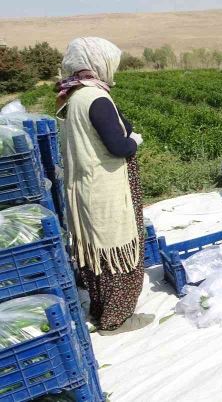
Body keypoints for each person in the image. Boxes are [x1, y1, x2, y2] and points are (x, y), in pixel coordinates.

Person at [56, 37, 154, 335]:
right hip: (106, 187)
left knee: (98, 251)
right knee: (119, 246)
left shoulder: (73, 96)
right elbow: (119, 146)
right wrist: (134, 141)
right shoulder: (95, 99)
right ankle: (117, 318)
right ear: (99, 63)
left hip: (86, 185)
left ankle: (101, 310)